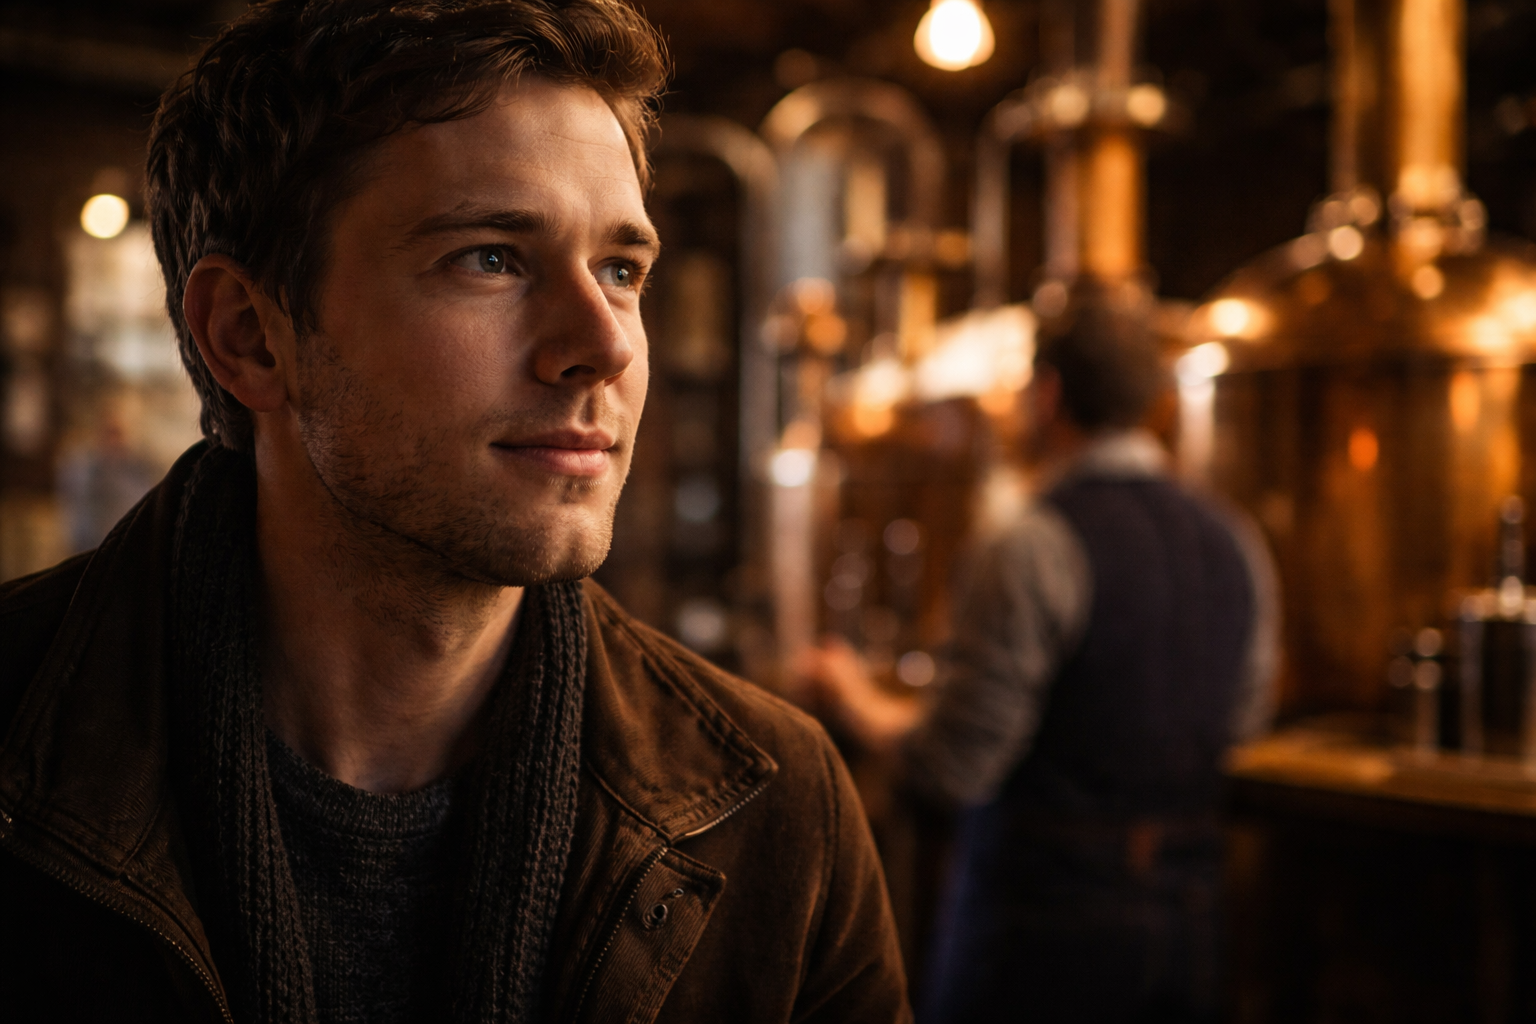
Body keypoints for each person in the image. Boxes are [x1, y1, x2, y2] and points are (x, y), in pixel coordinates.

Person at [0, 2, 909, 1021]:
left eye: (621, 269)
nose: (603, 343)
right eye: (490, 257)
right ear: (250, 335)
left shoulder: (781, 815)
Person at [802, 299, 1278, 1023]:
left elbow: (957, 764)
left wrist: (854, 698)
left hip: (1051, 928)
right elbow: (1243, 718)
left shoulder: (1032, 541)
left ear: (1047, 392)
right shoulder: (1234, 540)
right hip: (1196, 917)